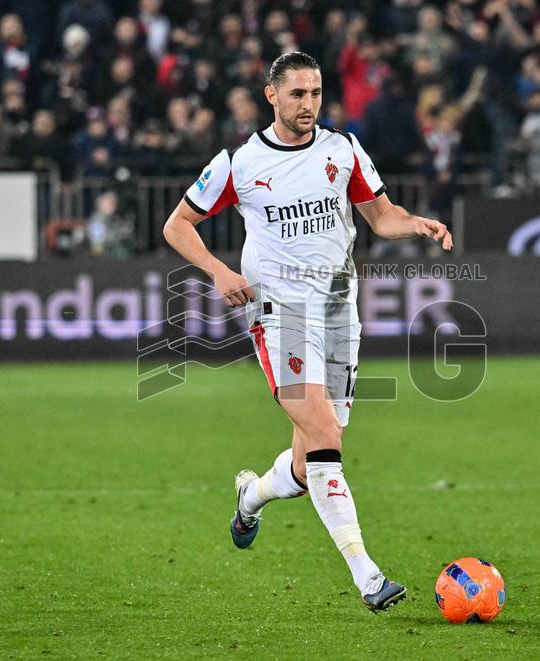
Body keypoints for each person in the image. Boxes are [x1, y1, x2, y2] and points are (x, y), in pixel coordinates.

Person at [162, 52, 453, 613]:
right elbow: (177, 224)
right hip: (280, 313)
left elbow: (380, 213)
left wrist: (412, 222)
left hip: (341, 310)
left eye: (316, 93)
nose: (308, 104)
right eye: (297, 94)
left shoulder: (342, 150)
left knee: (313, 454)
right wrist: (221, 273)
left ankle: (252, 495)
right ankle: (367, 575)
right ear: (271, 96)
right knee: (324, 433)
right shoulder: (240, 164)